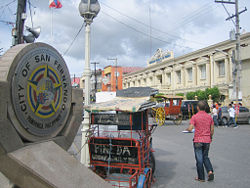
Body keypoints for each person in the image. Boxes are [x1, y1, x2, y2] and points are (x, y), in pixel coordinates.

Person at [186, 101, 214, 182]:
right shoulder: (209, 117)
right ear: (205, 108)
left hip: (198, 140)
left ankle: (201, 177)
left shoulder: (195, 117)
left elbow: (191, 128)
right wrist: (210, 137)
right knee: (205, 157)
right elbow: (212, 130)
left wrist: (187, 129)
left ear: (198, 107)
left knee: (199, 159)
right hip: (207, 140)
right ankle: (210, 171)